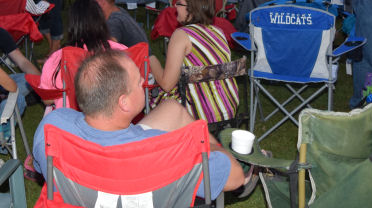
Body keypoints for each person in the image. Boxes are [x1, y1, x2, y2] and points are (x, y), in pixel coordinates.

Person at [33, 50, 244, 200]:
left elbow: (39, 166)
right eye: (137, 81)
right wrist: (211, 146)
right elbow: (235, 178)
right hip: (138, 174)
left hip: (86, 189)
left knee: (171, 109)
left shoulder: (52, 126)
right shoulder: (163, 151)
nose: (143, 80)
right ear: (123, 102)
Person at [150, 0, 239, 123]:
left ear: (191, 9)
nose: (175, 6)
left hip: (200, 113)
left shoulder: (182, 35)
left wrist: (150, 58)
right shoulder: (219, 32)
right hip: (227, 108)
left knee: (155, 96)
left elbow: (166, 84)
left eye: (179, 2)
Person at [39, 0, 127, 112]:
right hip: (112, 117)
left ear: (72, 25)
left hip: (70, 122)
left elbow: (47, 99)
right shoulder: (122, 52)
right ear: (102, 21)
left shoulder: (58, 57)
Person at [83, 0, 149, 48]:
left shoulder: (113, 22)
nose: (85, 7)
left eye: (88, 3)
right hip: (140, 57)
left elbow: (108, 49)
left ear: (102, 3)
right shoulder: (119, 11)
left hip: (134, 58)